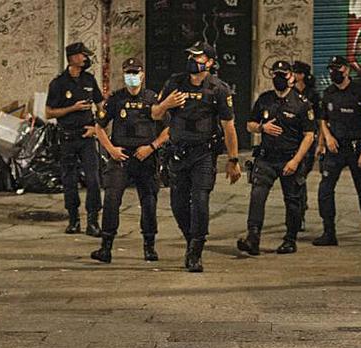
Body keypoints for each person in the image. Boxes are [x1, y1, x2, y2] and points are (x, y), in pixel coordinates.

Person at [150, 41, 242, 273]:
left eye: (198, 57)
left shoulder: (218, 89)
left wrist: (233, 160)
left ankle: (195, 252)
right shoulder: (175, 82)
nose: (193, 60)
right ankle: (192, 238)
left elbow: (229, 127)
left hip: (203, 154)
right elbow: (154, 114)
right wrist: (166, 104)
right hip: (178, 152)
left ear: (210, 62)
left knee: (200, 201)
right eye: (191, 56)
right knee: (178, 204)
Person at [90, 57, 168, 263]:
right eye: (128, 73)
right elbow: (99, 126)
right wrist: (111, 150)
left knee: (149, 202)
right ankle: (106, 248)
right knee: (111, 201)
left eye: (135, 73)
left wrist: (152, 147)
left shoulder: (153, 99)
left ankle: (149, 247)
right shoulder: (116, 99)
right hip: (121, 157)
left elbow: (169, 129)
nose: (132, 77)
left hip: (145, 158)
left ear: (142, 75)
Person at [237, 60, 316, 256]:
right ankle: (253, 237)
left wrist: (296, 161)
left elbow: (309, 135)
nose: (279, 78)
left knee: (292, 200)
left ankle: (290, 239)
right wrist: (262, 128)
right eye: (276, 75)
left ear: (290, 77)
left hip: (290, 158)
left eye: (283, 74)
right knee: (257, 196)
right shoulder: (265, 99)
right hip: (266, 158)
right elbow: (249, 124)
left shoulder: (302, 104)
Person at [313, 55, 361, 247]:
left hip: (357, 147)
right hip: (336, 148)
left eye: (338, 69)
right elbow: (322, 120)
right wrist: (327, 138)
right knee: (325, 189)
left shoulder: (360, 93)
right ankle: (329, 231)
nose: (335, 72)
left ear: (347, 70)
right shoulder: (328, 93)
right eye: (332, 69)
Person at [45, 42, 104, 236]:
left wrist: (99, 125)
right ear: (72, 58)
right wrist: (73, 108)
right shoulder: (59, 83)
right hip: (67, 138)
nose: (86, 59)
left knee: (94, 179)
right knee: (69, 180)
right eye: (83, 56)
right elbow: (49, 112)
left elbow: (100, 103)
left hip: (87, 136)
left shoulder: (89, 79)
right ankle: (73, 219)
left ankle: (93, 221)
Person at [290, 60, 320, 231]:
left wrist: (320, 142)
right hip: (293, 139)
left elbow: (320, 119)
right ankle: (299, 212)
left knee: (301, 175)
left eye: (296, 72)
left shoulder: (313, 94)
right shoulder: (290, 92)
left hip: (309, 138)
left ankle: (301, 209)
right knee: (297, 177)